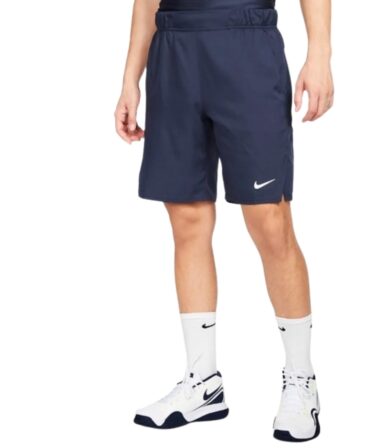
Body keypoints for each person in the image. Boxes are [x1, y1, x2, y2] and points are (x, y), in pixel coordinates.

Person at [114, 0, 333, 442]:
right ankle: (203, 382)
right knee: (187, 219)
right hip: (174, 46)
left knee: (269, 219)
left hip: (246, 40)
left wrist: (320, 52)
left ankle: (301, 379)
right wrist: (130, 79)